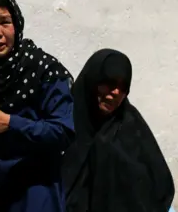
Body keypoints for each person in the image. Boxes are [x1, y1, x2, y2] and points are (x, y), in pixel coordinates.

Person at [0, 0, 75, 212]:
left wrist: (10, 123)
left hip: (34, 192)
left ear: (17, 24)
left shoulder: (43, 70)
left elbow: (64, 131)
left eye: (5, 22)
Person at [62, 48, 174, 212]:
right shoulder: (63, 122)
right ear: (93, 80)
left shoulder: (130, 125)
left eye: (123, 87)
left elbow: (160, 185)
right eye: (109, 83)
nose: (115, 92)